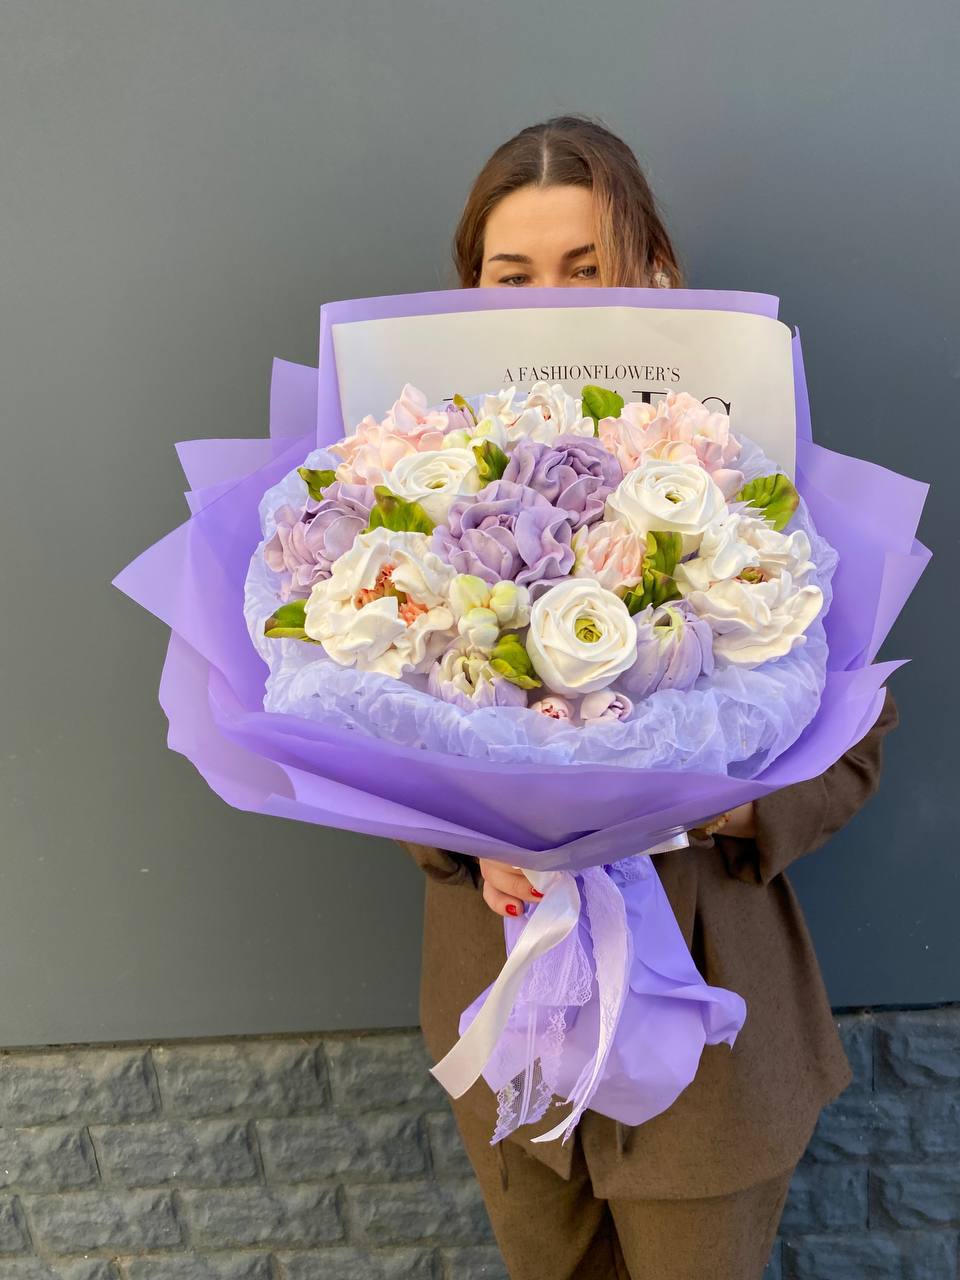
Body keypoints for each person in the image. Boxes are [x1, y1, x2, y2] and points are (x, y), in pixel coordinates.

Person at [398, 114, 900, 1280]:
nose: (548, 305)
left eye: (587, 268)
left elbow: (857, 741)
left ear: (656, 275)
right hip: (509, 1032)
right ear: (467, 294)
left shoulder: (747, 475)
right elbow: (357, 727)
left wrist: (721, 805)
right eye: (512, 276)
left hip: (711, 1027)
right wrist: (470, 834)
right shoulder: (414, 491)